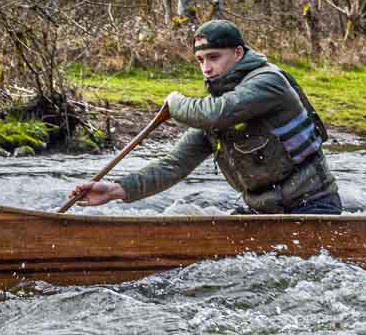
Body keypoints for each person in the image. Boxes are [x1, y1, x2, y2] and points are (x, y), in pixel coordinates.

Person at [70, 20, 342, 215]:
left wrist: (175, 102)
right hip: (264, 211)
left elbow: (216, 114)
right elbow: (173, 165)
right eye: (200, 60)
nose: (207, 69)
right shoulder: (217, 110)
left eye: (213, 57)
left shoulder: (269, 82)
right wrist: (116, 190)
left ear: (238, 53)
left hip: (313, 205)